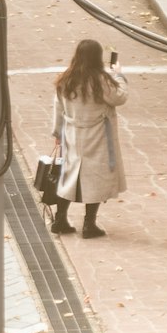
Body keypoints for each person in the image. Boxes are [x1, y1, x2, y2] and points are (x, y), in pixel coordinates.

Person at [50, 38, 127, 237]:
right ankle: (89, 224)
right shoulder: (100, 80)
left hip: (72, 134)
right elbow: (119, 97)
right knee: (97, 177)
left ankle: (60, 219)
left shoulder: (65, 79)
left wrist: (57, 132)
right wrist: (118, 75)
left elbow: (58, 107)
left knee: (69, 176)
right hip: (98, 134)